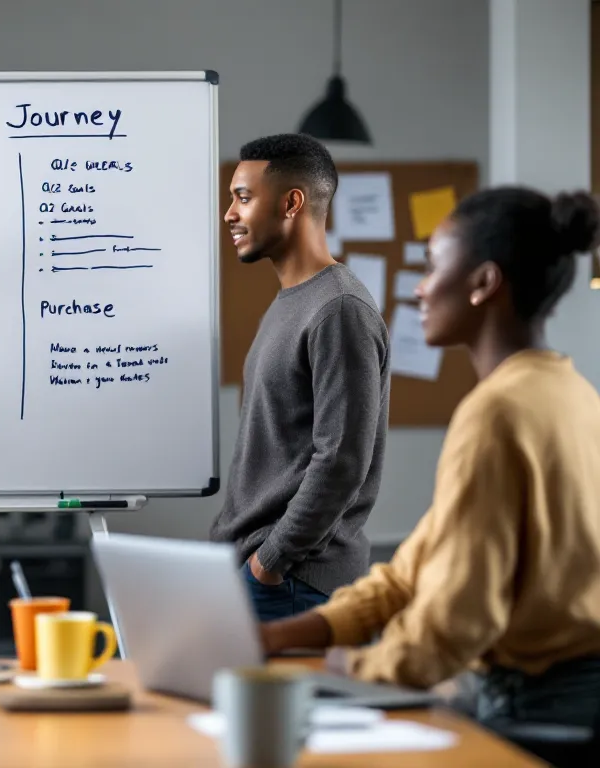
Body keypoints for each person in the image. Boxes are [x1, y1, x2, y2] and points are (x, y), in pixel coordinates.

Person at [261, 187, 600, 733]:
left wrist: (357, 667)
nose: (418, 291)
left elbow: (458, 621)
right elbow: (413, 569)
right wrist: (295, 633)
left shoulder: (495, 414)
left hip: (534, 710)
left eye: (431, 266)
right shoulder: (575, 394)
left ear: (483, 284)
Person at [210, 133, 391, 622]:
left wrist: (270, 562)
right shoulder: (295, 301)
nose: (229, 213)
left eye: (243, 198)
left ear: (291, 203)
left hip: (293, 582)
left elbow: (342, 460)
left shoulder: (339, 309)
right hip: (263, 576)